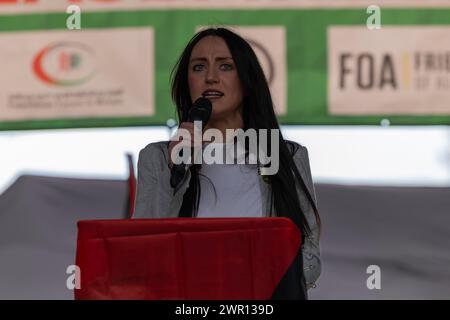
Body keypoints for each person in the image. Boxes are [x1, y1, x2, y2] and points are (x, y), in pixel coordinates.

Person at [134, 27, 321, 298]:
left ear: (246, 81)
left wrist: (252, 282)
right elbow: (142, 254)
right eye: (199, 67)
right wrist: (177, 171)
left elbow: (311, 257)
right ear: (187, 82)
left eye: (225, 66)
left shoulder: (283, 155)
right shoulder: (158, 158)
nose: (211, 77)